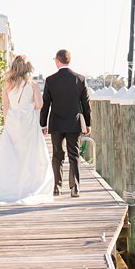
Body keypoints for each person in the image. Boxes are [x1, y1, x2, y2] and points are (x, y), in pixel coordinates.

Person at [0, 54, 54, 207]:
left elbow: (6, 107)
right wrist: (28, 108)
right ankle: (28, 185)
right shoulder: (33, 85)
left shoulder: (7, 85)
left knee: (11, 156)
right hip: (28, 124)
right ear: (28, 68)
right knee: (29, 156)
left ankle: (7, 186)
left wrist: (9, 122)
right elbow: (40, 104)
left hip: (12, 122)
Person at [40, 48, 91, 197]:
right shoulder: (80, 79)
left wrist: (43, 124)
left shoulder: (50, 80)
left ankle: (56, 187)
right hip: (74, 123)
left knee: (57, 155)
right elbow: (86, 104)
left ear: (57, 60)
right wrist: (88, 123)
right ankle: (75, 187)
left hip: (56, 122)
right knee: (74, 154)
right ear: (69, 60)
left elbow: (46, 104)